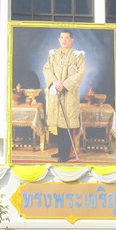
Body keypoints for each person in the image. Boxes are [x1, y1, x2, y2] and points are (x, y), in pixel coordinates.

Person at [42, 29, 86, 162]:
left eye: (67, 38)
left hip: (69, 95)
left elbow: (80, 74)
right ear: (58, 39)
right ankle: (61, 151)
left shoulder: (78, 56)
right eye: (61, 38)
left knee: (66, 124)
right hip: (56, 93)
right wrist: (54, 82)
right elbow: (47, 69)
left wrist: (65, 85)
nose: (64, 40)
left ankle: (66, 154)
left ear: (72, 40)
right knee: (59, 125)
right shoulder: (53, 54)